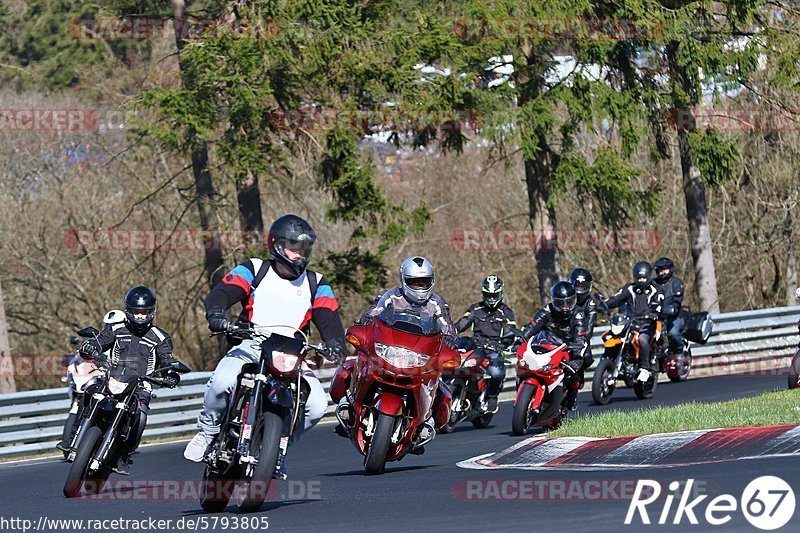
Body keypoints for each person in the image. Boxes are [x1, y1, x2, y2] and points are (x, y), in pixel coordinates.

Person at [183, 215, 347, 479]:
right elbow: (223, 292)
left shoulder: (317, 282)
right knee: (223, 381)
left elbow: (328, 316)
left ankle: (277, 451)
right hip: (252, 342)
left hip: (293, 352)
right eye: (294, 247)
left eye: (303, 248)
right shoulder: (255, 268)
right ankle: (208, 432)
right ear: (278, 245)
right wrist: (216, 313)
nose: (299, 254)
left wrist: (336, 343)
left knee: (316, 405)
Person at [335, 256, 455, 450]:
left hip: (419, 354)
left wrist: (450, 337)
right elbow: (375, 309)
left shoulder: (437, 304)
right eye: (414, 282)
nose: (419, 287)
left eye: (424, 282)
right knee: (351, 366)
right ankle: (348, 405)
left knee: (440, 386)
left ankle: (423, 424)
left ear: (431, 281)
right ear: (404, 279)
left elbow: (447, 325)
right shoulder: (391, 295)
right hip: (389, 348)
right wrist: (365, 318)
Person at [72, 287, 180, 475]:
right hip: (113, 376)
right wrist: (90, 346)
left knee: (141, 417)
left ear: (152, 312)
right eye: (136, 312)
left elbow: (167, 360)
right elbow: (100, 342)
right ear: (128, 310)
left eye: (144, 312)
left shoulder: (160, 337)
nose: (140, 317)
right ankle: (77, 432)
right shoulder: (116, 329)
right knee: (90, 389)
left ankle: (123, 454)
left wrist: (171, 373)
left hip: (140, 384)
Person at [454, 275, 518, 412]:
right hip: (477, 345)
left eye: (494, 295)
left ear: (500, 293)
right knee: (458, 360)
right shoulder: (475, 309)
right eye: (488, 295)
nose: (492, 298)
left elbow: (510, 331)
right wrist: (451, 331)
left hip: (496, 347)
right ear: (483, 294)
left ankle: (492, 396)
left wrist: (505, 342)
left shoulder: (506, 312)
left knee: (495, 372)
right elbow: (463, 322)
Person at [520, 281, 590, 408]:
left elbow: (580, 337)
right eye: (560, 303)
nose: (565, 307)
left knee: (574, 373)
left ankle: (572, 394)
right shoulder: (547, 310)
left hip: (567, 348)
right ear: (554, 301)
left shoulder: (578, 315)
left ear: (573, 301)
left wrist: (577, 357)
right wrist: (520, 340)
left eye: (568, 303)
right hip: (546, 345)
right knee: (524, 365)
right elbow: (532, 327)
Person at [602, 261, 665, 382]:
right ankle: (611, 361)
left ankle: (644, 368)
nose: (641, 280)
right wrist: (604, 305)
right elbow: (616, 298)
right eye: (638, 278)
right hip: (630, 322)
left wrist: (653, 314)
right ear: (635, 277)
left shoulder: (657, 290)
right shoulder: (629, 288)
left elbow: (659, 304)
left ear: (649, 277)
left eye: (644, 278)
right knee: (611, 336)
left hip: (648, 323)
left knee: (642, 339)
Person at [565, 267, 598, 410]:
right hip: (561, 334)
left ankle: (573, 390)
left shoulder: (590, 305)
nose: (579, 289)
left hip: (579, 337)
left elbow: (589, 327)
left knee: (584, 358)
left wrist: (581, 341)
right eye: (576, 285)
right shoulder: (564, 296)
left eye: (582, 286)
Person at [652, 257, 686, 354]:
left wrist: (671, 308)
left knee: (673, 333)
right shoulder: (652, 284)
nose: (663, 272)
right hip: (655, 317)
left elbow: (677, 301)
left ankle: (680, 351)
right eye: (660, 270)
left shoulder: (677, 284)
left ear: (670, 269)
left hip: (674, 317)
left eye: (665, 269)